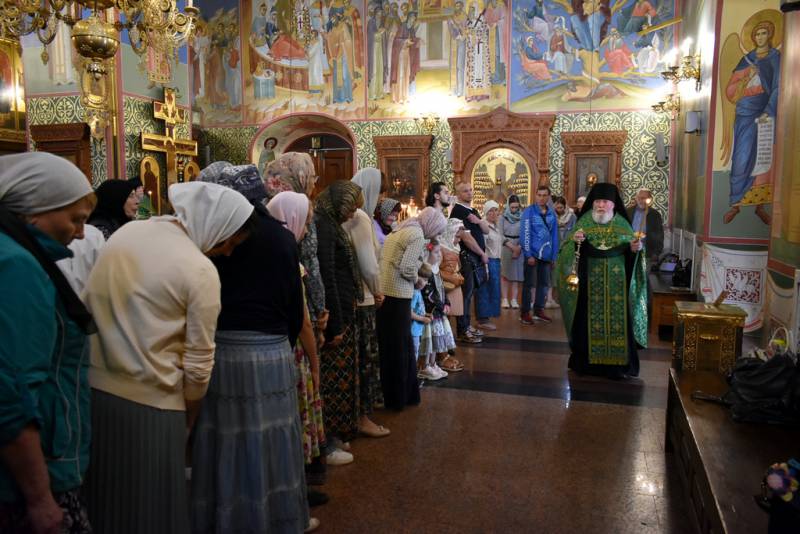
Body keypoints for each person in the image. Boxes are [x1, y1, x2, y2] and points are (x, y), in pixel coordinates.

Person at [83, 181, 256, 534]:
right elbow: (198, 364)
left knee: (106, 503)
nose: (225, 253)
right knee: (151, 509)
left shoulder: (126, 235)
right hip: (153, 403)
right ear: (216, 227)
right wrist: (190, 416)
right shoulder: (199, 269)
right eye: (228, 243)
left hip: (94, 394)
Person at [191, 165, 312, 533]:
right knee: (270, 442)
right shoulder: (281, 237)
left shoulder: (212, 236)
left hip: (223, 350)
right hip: (272, 351)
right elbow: (295, 305)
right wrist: (283, 343)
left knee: (227, 442)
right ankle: (275, 520)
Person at [0, 152, 96, 534]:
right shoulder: (17, 266)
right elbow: (11, 390)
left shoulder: (18, 254)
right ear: (35, 211)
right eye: (75, 219)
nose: (81, 233)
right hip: (32, 476)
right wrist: (40, 497)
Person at [267, 191, 327, 511]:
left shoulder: (265, 249)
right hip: (295, 353)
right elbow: (301, 319)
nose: (306, 227)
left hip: (280, 347)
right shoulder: (288, 256)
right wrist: (315, 362)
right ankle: (294, 490)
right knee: (297, 418)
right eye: (304, 220)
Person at [556, 183, 648, 379]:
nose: (600, 205)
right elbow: (566, 253)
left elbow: (634, 256)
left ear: (613, 204)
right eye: (597, 201)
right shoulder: (584, 223)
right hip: (589, 287)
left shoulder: (623, 224)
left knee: (619, 322)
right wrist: (575, 243)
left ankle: (618, 366)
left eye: (605, 202)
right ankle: (586, 364)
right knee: (586, 322)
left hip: (618, 286)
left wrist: (635, 250)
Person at [378, 207, 447, 410]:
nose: (436, 235)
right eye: (438, 230)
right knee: (400, 350)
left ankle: (404, 395)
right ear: (432, 224)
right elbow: (407, 267)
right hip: (398, 294)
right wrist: (418, 282)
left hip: (387, 292)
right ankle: (398, 399)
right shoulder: (416, 234)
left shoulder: (402, 228)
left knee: (398, 348)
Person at [314, 181, 363, 462]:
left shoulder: (331, 223)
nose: (354, 213)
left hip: (342, 311)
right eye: (352, 207)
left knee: (338, 379)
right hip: (335, 317)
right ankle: (326, 439)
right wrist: (336, 323)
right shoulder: (324, 225)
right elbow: (327, 275)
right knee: (330, 383)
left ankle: (333, 435)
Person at [344, 168, 389, 438]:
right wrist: (378, 290)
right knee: (364, 360)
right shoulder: (359, 217)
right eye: (381, 190)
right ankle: (362, 417)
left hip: (357, 295)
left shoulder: (353, 214)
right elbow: (368, 264)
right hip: (363, 297)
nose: (383, 196)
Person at [449, 182, 490, 343]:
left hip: (474, 258)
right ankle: (462, 329)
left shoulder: (472, 210)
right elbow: (466, 238)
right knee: (465, 294)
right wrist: (481, 253)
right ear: (458, 194)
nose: (469, 193)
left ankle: (466, 325)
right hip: (467, 258)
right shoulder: (458, 211)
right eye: (465, 191)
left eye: (471, 190)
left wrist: (479, 221)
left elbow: (486, 229)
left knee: (470, 293)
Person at [519, 185, 558, 325]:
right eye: (539, 195)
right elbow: (525, 233)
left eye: (544, 195)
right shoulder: (529, 212)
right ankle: (524, 313)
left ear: (548, 197)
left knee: (544, 284)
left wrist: (554, 256)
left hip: (546, 255)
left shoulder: (552, 214)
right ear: (535, 196)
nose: (541, 198)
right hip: (533, 254)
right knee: (529, 284)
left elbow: (554, 236)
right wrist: (528, 254)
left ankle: (539, 310)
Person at [419, 241, 457, 376]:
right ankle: (425, 365)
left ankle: (433, 364)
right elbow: (429, 294)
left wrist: (447, 303)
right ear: (427, 253)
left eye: (439, 252)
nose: (439, 256)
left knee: (436, 342)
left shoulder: (436, 269)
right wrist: (441, 306)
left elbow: (441, 289)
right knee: (429, 342)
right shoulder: (426, 270)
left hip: (439, 312)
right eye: (436, 252)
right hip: (432, 312)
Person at [476, 200, 502, 331]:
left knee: (493, 289)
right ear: (486, 212)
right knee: (485, 289)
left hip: (496, 261)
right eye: (490, 210)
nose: (494, 213)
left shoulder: (496, 226)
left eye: (496, 210)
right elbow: (482, 246)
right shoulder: (483, 226)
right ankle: (482, 319)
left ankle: (487, 317)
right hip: (488, 261)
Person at [626, 188, 664, 268]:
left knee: (644, 277)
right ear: (636, 198)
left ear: (650, 199)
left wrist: (656, 253)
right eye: (640, 198)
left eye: (645, 198)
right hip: (630, 250)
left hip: (647, 253)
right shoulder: (628, 212)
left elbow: (659, 235)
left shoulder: (655, 215)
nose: (642, 200)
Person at [499, 194, 523, 309]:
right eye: (512, 207)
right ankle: (504, 299)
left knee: (516, 275)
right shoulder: (502, 217)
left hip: (519, 247)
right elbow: (500, 234)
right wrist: (512, 247)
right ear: (508, 206)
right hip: (506, 246)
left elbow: (525, 233)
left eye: (516, 207)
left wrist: (518, 248)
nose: (514, 210)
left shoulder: (523, 217)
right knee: (505, 275)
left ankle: (514, 299)